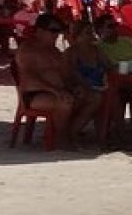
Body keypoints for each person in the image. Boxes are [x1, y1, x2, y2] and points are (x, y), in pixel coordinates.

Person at [14, 14, 102, 148]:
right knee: (65, 101)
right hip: (35, 94)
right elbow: (29, 78)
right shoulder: (28, 50)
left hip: (58, 90)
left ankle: (71, 133)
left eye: (58, 31)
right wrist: (55, 91)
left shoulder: (54, 51)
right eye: (53, 31)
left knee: (94, 98)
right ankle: (60, 138)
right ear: (40, 31)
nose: (57, 35)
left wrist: (74, 86)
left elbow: (64, 75)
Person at [94, 14, 132, 136]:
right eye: (110, 26)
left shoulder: (127, 42)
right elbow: (109, 68)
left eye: (116, 25)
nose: (115, 29)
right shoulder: (98, 47)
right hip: (111, 83)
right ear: (99, 30)